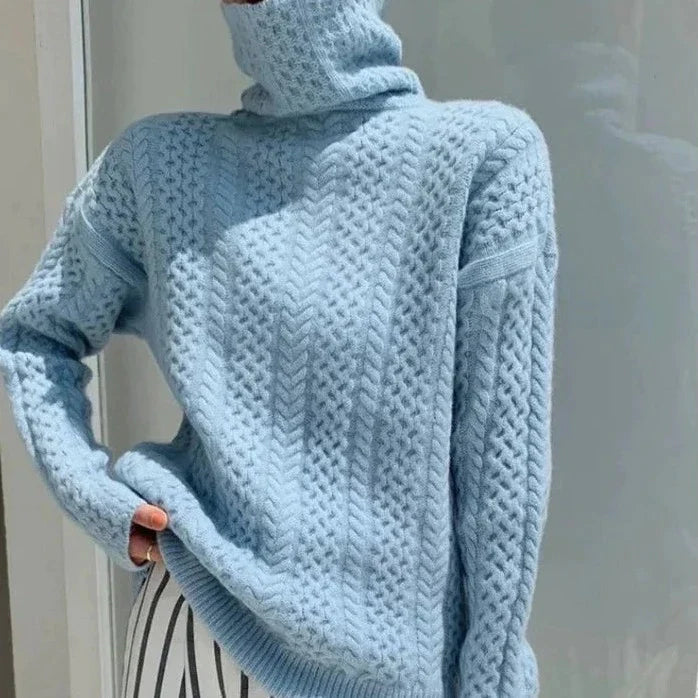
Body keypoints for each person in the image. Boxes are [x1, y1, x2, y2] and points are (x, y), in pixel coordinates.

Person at [0, 0, 559, 696]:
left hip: (386, 672)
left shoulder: (483, 159)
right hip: (193, 628)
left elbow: (500, 481)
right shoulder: (157, 165)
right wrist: (95, 499)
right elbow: (34, 335)